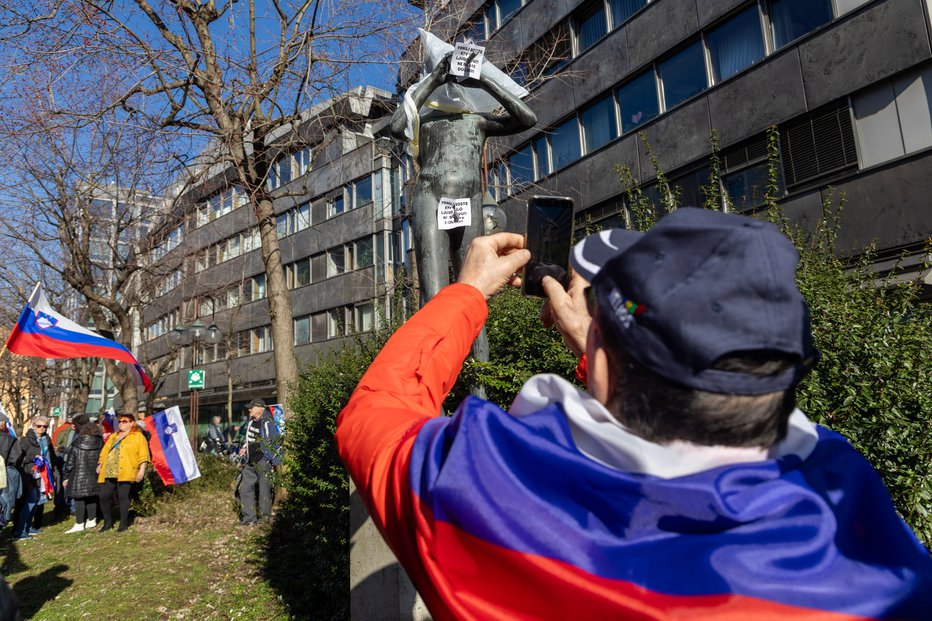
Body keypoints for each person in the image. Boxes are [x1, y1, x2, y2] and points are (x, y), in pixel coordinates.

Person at [336, 209, 932, 620]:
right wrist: (601, 355)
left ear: (603, 364)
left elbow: (378, 411)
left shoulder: (488, 490)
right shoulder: (861, 519)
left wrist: (466, 294)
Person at [389, 50, 536, 303]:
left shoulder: (477, 121)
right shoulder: (423, 121)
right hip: (431, 199)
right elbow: (396, 126)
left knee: (473, 295)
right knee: (433, 294)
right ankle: (437, 340)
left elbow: (528, 119)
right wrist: (435, 78)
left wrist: (484, 81)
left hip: (470, 200)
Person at [96, 412, 149, 532]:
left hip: (126, 470)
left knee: (123, 497)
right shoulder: (114, 436)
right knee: (104, 496)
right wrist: (100, 463)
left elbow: (143, 454)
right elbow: (105, 451)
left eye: (124, 421)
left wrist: (141, 470)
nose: (121, 424)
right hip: (109, 470)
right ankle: (107, 522)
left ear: (132, 423)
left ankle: (123, 523)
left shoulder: (138, 436)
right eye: (119, 421)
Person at [237, 399, 282, 525]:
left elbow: (275, 441)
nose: (249, 410)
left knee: (264, 490)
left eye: (251, 407)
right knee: (246, 489)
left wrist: (272, 459)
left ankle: (264, 519)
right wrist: (244, 448)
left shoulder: (269, 422)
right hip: (249, 460)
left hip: (263, 460)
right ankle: (248, 519)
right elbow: (250, 439)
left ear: (260, 409)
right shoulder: (251, 422)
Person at [12, 416, 56, 540]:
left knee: (36, 502)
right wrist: (33, 459)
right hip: (29, 474)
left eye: (45, 426)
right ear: (33, 425)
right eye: (39, 426)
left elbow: (49, 456)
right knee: (29, 503)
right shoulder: (26, 440)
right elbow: (18, 458)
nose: (42, 429)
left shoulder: (46, 439)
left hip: (42, 474)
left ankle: (28, 527)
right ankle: (19, 532)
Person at [63, 421, 104, 533]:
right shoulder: (101, 443)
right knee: (92, 497)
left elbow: (70, 462)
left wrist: (66, 476)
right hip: (95, 474)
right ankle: (92, 520)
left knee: (79, 498)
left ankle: (79, 523)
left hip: (79, 475)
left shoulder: (77, 443)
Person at [0, 412, 22, 529]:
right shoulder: (9, 439)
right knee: (4, 503)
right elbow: (16, 457)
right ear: (2, 424)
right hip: (4, 475)